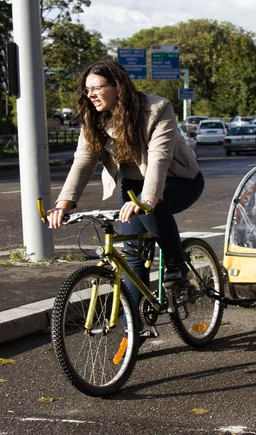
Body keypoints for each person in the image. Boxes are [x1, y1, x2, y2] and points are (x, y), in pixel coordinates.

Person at [46, 59, 204, 308]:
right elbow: (84, 160)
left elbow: (159, 158)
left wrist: (149, 199)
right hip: (133, 185)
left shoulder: (157, 108)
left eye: (97, 88)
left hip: (179, 180)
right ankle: (136, 328)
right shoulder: (93, 117)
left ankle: (177, 267)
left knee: (153, 207)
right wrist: (63, 204)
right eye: (87, 90)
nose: (91, 95)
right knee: (133, 256)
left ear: (118, 86)